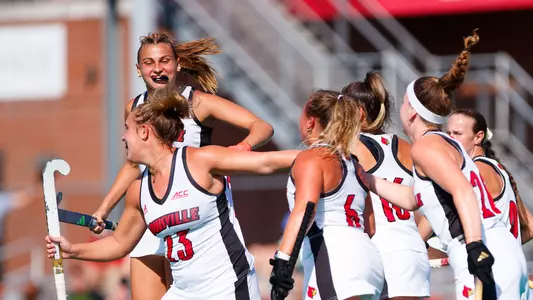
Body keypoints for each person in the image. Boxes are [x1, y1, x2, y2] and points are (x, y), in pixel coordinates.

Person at [46, 86, 296, 300]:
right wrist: (72, 251)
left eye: (126, 129)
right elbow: (119, 243)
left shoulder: (199, 161)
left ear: (144, 132)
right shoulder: (139, 190)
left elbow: (269, 162)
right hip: (184, 293)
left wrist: (325, 154)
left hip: (228, 288)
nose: (123, 136)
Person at [90, 32, 274, 299]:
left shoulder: (197, 102)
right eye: (148, 62)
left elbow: (262, 127)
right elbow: (132, 165)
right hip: (155, 216)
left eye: (164, 61)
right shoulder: (134, 108)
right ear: (138, 69)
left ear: (177, 64)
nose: (157, 69)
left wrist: (240, 149)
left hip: (197, 218)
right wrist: (105, 208)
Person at [397, 29, 528, 299]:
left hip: (482, 251)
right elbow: (414, 198)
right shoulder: (449, 145)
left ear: (411, 112)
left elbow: (462, 192)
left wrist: (475, 247)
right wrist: (367, 179)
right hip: (503, 251)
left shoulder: (427, 147)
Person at [270, 90, 385, 300]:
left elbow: (306, 209)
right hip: (368, 260)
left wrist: (282, 260)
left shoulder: (312, 157)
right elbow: (370, 226)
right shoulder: (355, 164)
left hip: (333, 257)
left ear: (310, 122)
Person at [344, 72, 430, 300]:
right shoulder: (409, 147)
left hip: (378, 251)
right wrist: (415, 239)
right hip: (412, 250)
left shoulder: (352, 147)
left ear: (358, 114)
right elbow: (437, 204)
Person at [447, 108, 533, 245]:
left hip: (493, 263)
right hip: (507, 259)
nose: (450, 138)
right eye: (448, 133)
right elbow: (530, 227)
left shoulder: (476, 169)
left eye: (457, 133)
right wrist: (508, 248)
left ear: (478, 137)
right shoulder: (495, 167)